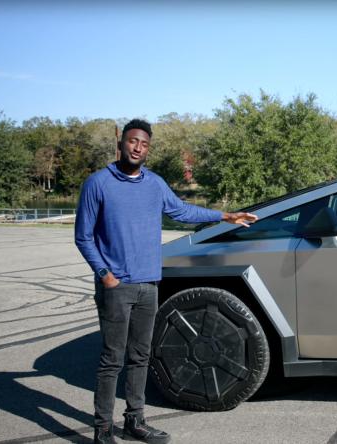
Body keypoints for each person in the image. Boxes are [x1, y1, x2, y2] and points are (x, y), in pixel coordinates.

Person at [74, 119, 257, 444]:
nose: (137, 148)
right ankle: (103, 428)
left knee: (141, 356)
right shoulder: (98, 184)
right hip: (116, 287)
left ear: (148, 148)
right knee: (112, 359)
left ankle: (135, 421)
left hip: (149, 285)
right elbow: (84, 237)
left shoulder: (154, 184)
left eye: (144, 144)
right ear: (121, 144)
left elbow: (182, 211)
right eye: (132, 141)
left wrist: (225, 216)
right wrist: (106, 276)